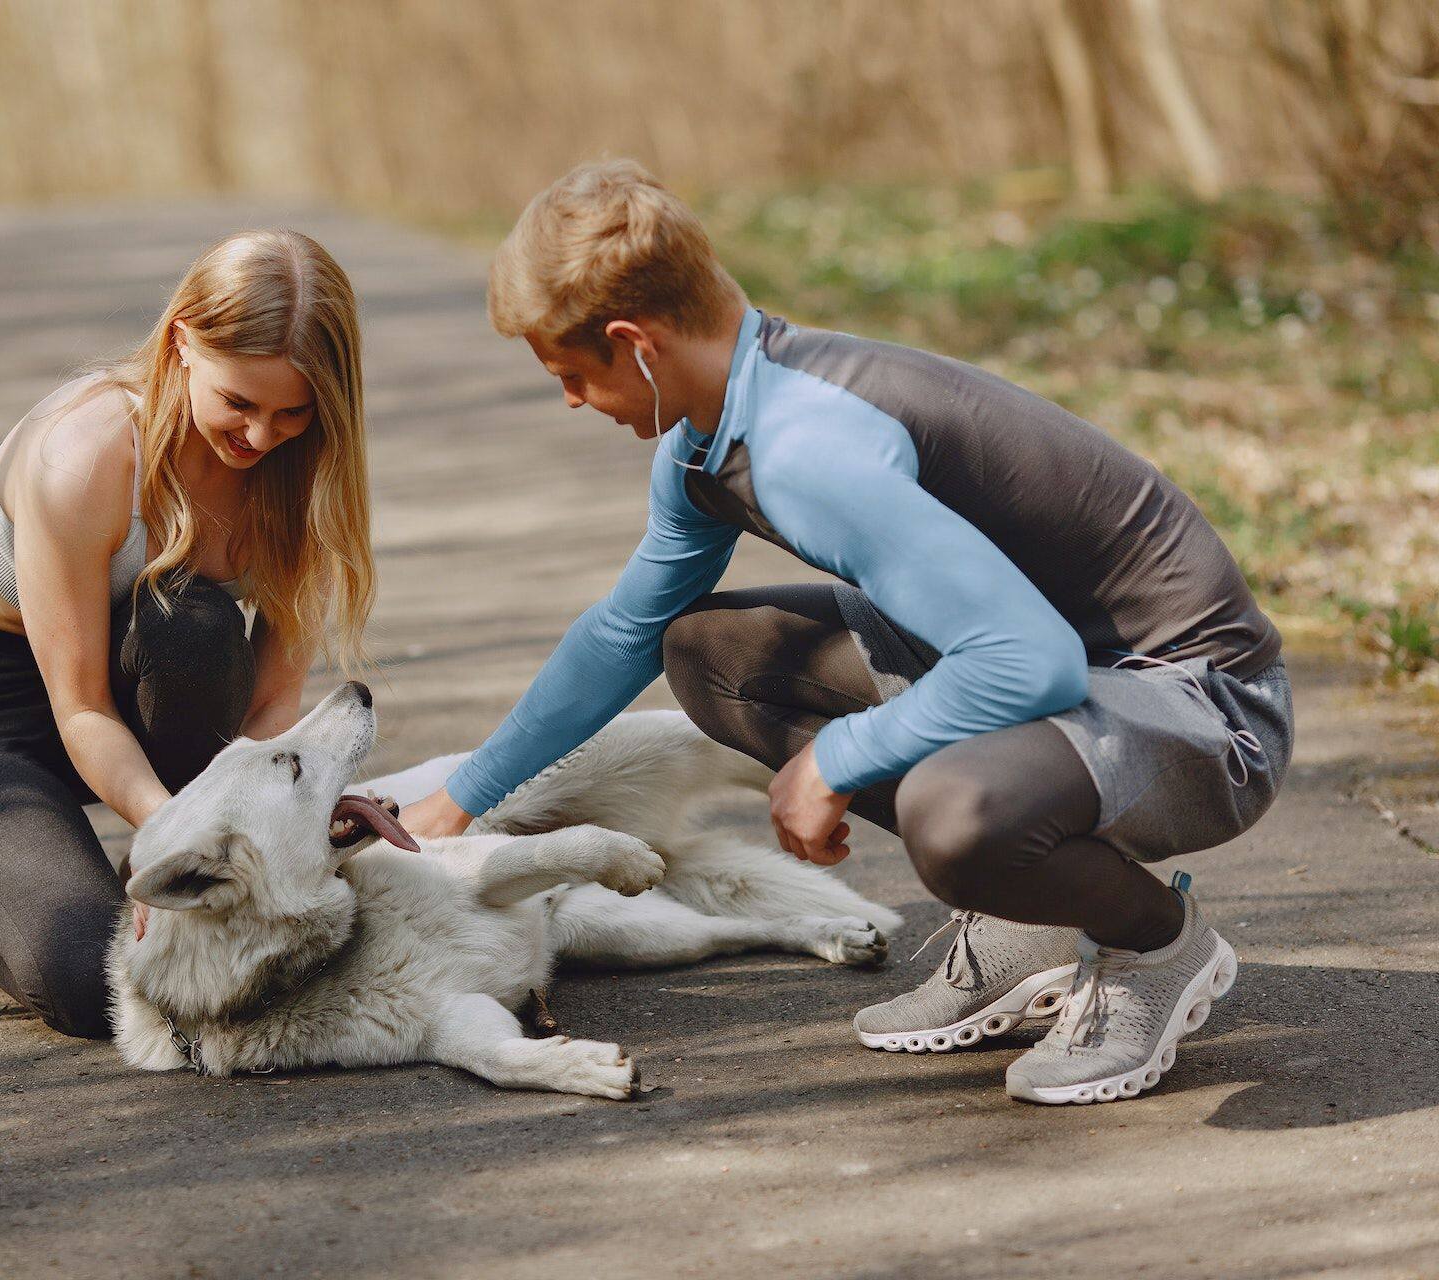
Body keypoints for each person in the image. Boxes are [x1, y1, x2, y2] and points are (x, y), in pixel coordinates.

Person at [399, 161, 1292, 1105]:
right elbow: (625, 630)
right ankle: (1026, 910)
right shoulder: (711, 439)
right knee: (711, 655)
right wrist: (455, 804)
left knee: (952, 817)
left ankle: (1152, 942)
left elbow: (1028, 659)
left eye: (573, 375)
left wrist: (841, 759)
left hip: (1203, 711)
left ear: (638, 344)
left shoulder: (805, 450)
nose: (574, 401)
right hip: (1072, 681)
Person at [0, 230, 375, 1038]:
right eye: (239, 403)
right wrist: (172, 841)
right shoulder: (87, 453)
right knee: (94, 982)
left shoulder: (308, 470)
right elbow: (79, 708)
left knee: (194, 633)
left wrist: (223, 855)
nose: (259, 438)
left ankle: (119, 854)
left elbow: (273, 698)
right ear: (183, 342)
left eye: (291, 413)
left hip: (149, 678)